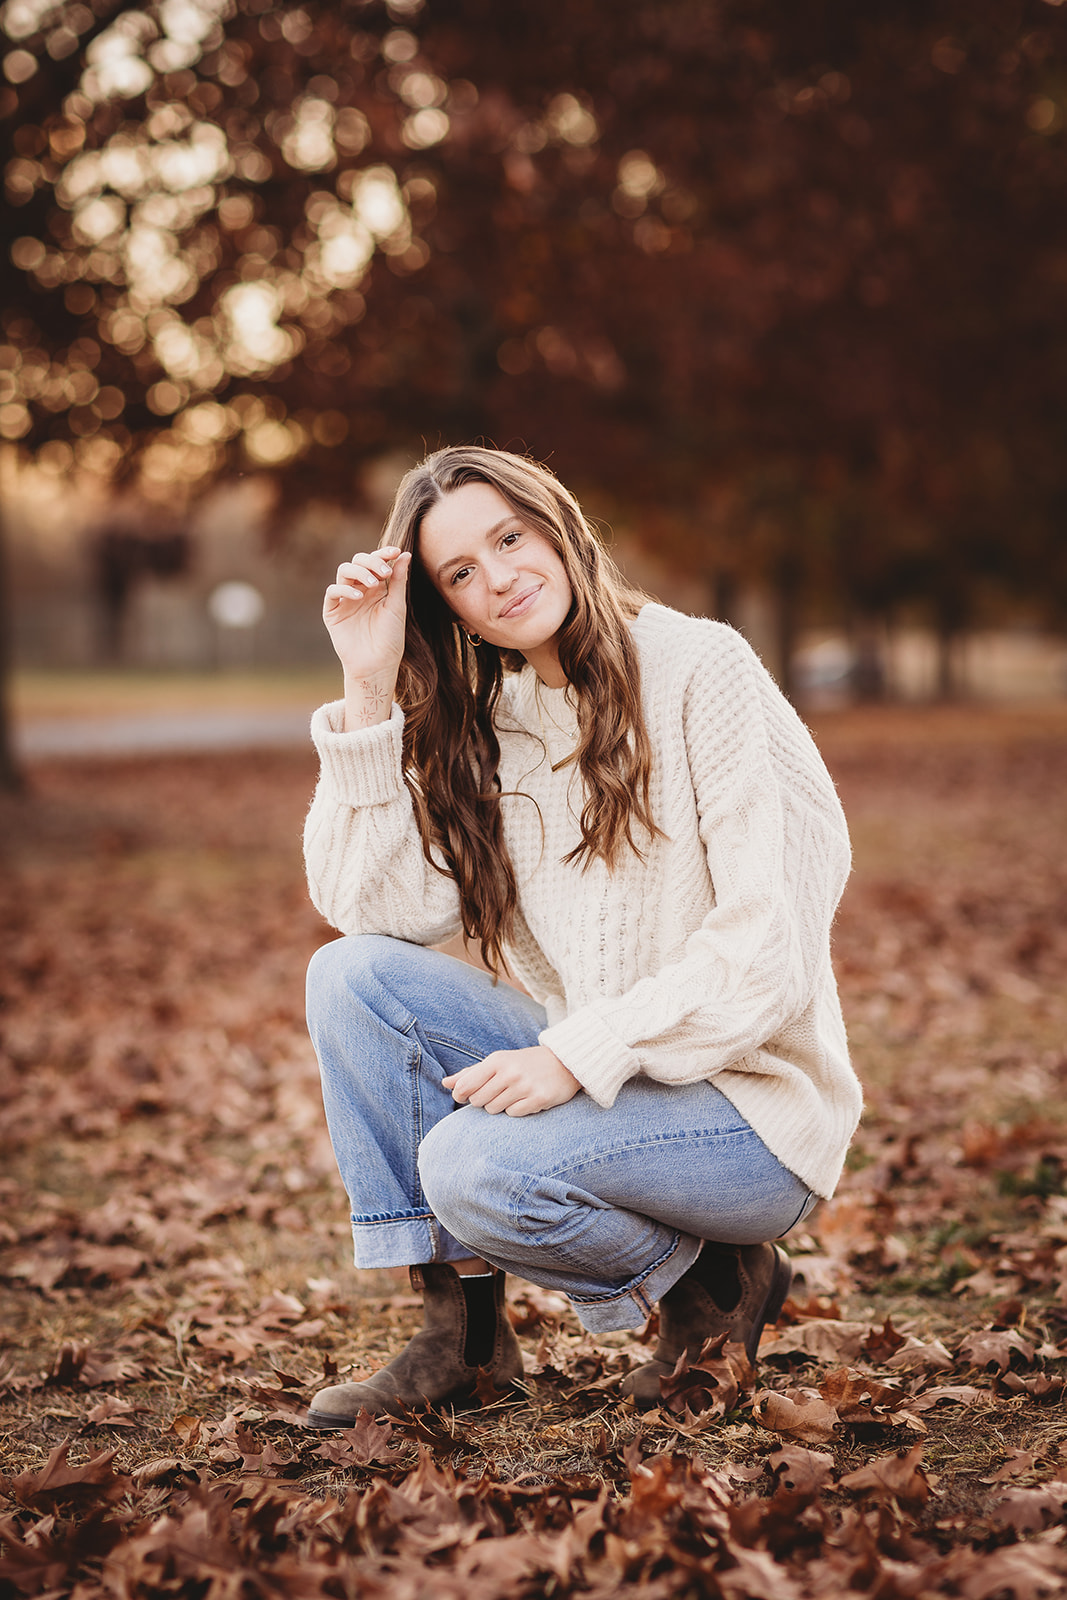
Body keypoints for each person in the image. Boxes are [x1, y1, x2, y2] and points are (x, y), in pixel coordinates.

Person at [301, 445, 861, 1427]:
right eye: (459, 574)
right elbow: (372, 906)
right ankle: (463, 1341)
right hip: (602, 1085)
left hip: (745, 1115)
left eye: (508, 538)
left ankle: (712, 1283)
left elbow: (763, 940)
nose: (499, 577)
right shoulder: (492, 723)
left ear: (557, 525)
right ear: (449, 609)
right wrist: (366, 688)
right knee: (350, 977)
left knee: (470, 1167)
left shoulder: (702, 669)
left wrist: (575, 1054)